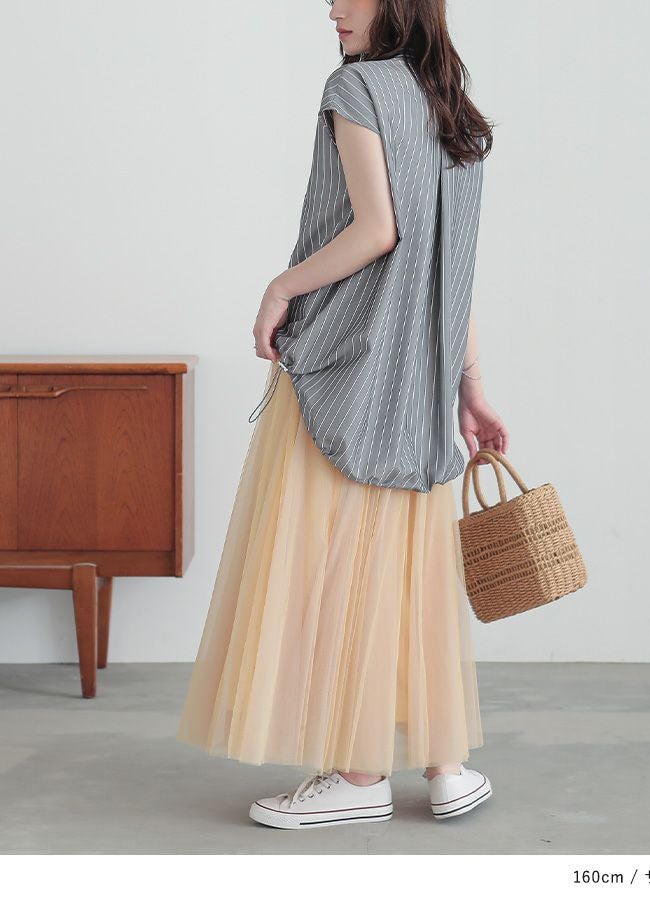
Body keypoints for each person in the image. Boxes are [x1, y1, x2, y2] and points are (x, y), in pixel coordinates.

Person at [176, 0, 509, 830]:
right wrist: (469, 386)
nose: (332, 9)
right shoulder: (447, 100)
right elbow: (451, 264)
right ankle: (445, 766)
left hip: (351, 371)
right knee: (403, 575)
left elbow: (379, 231)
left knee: (330, 573)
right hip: (422, 384)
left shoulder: (356, 88)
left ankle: (359, 776)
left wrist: (279, 288)